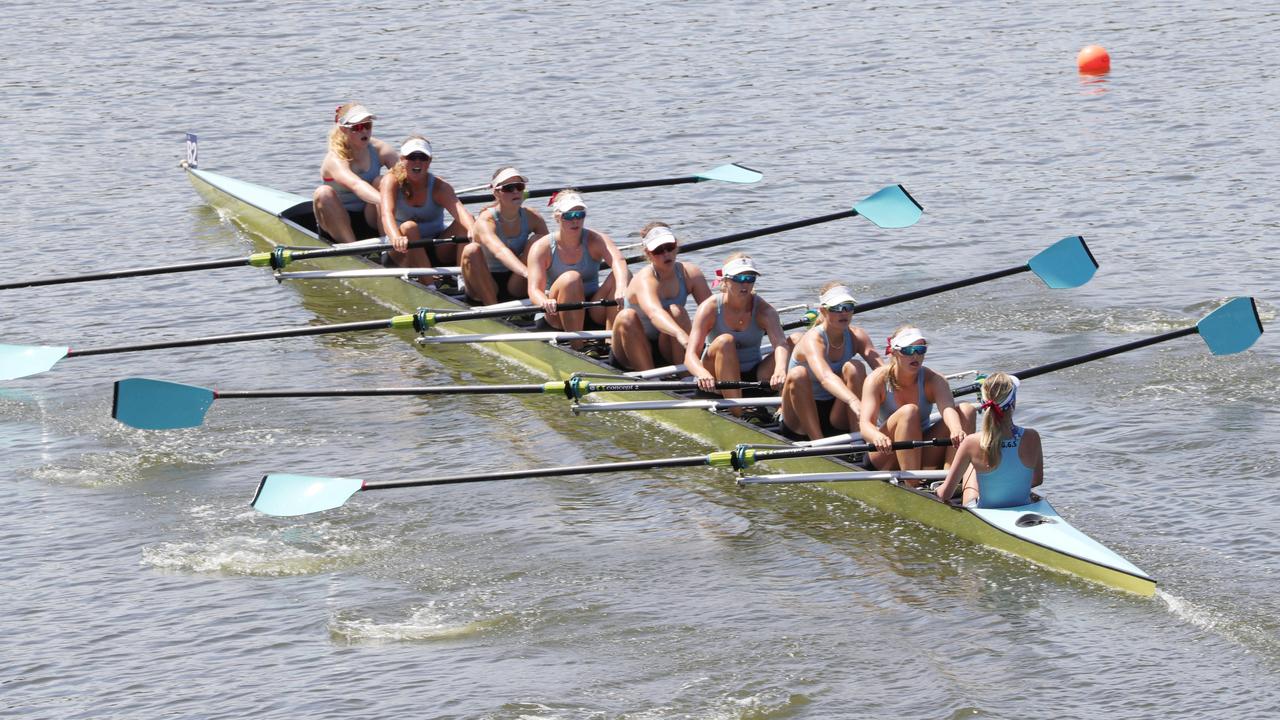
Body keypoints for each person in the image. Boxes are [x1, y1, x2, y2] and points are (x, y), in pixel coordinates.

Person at [858, 325, 976, 472]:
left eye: (920, 350)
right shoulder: (876, 380)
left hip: (921, 450)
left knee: (967, 409)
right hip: (887, 452)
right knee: (909, 412)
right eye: (908, 350)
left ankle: (950, 477)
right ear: (894, 352)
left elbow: (947, 410)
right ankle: (912, 483)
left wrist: (956, 429)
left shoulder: (934, 379)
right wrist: (877, 436)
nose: (915, 355)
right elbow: (865, 425)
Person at [779, 283, 882, 440]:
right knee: (798, 374)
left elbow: (884, 371)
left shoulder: (857, 336)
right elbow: (826, 378)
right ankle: (819, 443)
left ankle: (860, 440)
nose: (844, 313)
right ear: (823, 310)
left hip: (836, 411)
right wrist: (853, 400)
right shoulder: (813, 339)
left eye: (848, 306)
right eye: (836, 308)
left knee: (855, 367)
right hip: (799, 416)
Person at [685, 253, 790, 408]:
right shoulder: (709, 308)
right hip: (715, 380)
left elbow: (780, 344)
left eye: (750, 279)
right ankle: (739, 411)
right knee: (725, 341)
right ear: (725, 280)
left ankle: (784, 409)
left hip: (754, 376)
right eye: (739, 278)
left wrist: (780, 369)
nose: (745, 284)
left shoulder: (765, 311)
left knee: (796, 341)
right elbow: (690, 355)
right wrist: (702, 374)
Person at [526, 190, 630, 341]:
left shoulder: (596, 239)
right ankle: (577, 346)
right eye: (569, 216)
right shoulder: (542, 247)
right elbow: (534, 289)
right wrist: (544, 301)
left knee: (623, 276)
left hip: (592, 308)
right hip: (556, 313)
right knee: (571, 278)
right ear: (557, 217)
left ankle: (611, 343)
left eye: (580, 214)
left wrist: (621, 287)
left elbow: (618, 261)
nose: (575, 220)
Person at [610, 223, 713, 371]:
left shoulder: (690, 273)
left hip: (665, 345)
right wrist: (681, 335)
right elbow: (655, 313)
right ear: (648, 253)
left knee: (677, 311)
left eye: (670, 247)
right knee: (627, 316)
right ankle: (651, 380)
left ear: (676, 246)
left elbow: (712, 312)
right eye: (658, 250)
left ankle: (686, 375)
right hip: (630, 347)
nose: (666, 254)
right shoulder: (644, 279)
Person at [935, 373, 1043, 507]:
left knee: (972, 465)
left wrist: (937, 490)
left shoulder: (971, 442)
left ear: (983, 404)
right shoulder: (1032, 436)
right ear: (1013, 402)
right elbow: (1037, 480)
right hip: (1023, 506)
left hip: (985, 511)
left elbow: (945, 495)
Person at [378, 135, 473, 278]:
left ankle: (463, 280)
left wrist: (473, 230)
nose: (417, 162)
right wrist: (396, 237)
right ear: (402, 159)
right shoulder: (391, 181)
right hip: (401, 251)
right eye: (412, 157)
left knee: (466, 224)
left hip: (435, 249)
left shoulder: (440, 187)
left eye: (423, 157)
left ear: (429, 161)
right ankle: (429, 285)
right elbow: (386, 215)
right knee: (410, 227)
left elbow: (462, 213)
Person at [460, 166, 548, 306]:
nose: (516, 192)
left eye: (519, 187)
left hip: (516, 282)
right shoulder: (486, 221)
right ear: (496, 193)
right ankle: (493, 312)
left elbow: (551, 252)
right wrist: (527, 273)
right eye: (509, 188)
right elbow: (500, 251)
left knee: (539, 242)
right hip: (485, 280)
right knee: (471, 250)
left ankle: (537, 300)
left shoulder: (533, 217)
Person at [313, 103, 398, 244]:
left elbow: (405, 175)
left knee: (383, 180)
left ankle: (389, 246)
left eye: (368, 126)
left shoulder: (380, 149)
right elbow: (356, 184)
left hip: (369, 217)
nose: (364, 131)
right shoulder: (335, 159)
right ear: (343, 130)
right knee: (323, 193)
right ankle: (351, 250)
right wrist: (386, 201)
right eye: (357, 128)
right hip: (338, 222)